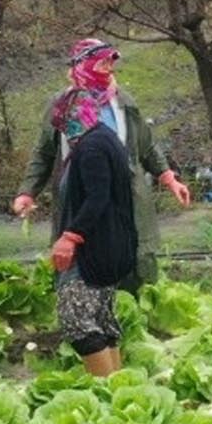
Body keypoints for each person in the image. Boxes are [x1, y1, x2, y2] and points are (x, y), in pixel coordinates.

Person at [12, 37, 192, 372]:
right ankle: (114, 374)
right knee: (95, 288)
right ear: (83, 64)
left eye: (112, 64)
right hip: (82, 204)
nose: (109, 71)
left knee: (97, 291)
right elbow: (43, 153)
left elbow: (147, 148)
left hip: (114, 205)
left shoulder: (121, 105)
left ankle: (116, 366)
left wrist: (168, 177)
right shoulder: (64, 104)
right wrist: (28, 191)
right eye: (102, 63)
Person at [47, 117, 140, 376]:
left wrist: (71, 236)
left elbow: (97, 196)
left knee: (79, 323)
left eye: (64, 120)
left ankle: (106, 398)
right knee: (101, 322)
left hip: (92, 250)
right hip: (109, 246)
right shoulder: (105, 137)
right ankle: (116, 394)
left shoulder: (91, 148)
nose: (62, 128)